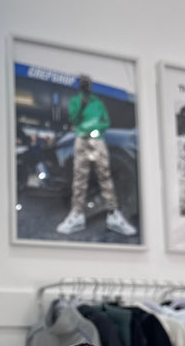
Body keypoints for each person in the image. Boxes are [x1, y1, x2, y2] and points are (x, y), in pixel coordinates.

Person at [56, 75, 136, 236]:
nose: (85, 86)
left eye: (87, 83)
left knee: (104, 176)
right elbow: (74, 119)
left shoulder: (98, 103)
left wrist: (95, 128)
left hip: (97, 140)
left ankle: (113, 214)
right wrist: (82, 110)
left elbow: (106, 122)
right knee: (80, 177)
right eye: (83, 83)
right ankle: (77, 214)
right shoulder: (76, 101)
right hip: (82, 140)